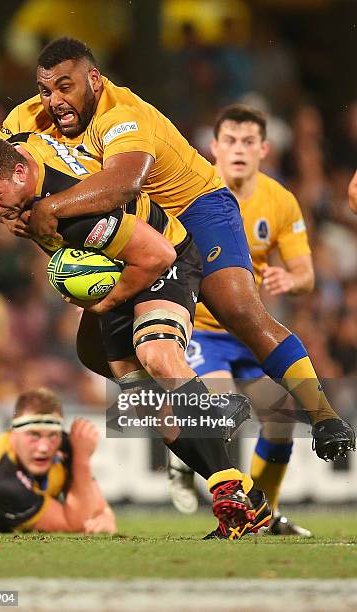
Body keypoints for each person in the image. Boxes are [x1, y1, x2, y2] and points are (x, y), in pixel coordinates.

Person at [0, 37, 354, 461]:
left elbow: (122, 182)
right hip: (138, 226)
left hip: (196, 207)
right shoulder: (25, 118)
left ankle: (324, 415)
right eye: (45, 90)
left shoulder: (123, 114)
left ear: (94, 79)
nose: (54, 101)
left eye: (65, 87)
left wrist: (47, 209)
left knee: (236, 307)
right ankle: (204, 430)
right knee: (93, 349)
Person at [0, 133, 264, 541]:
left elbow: (157, 256)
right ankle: (248, 499)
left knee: (155, 353)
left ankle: (217, 436)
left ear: (19, 171)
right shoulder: (15, 151)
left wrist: (104, 303)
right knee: (146, 403)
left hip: (160, 258)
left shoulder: (72, 212)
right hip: (114, 263)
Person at [169, 105, 314, 536]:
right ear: (213, 147)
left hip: (248, 334)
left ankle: (264, 514)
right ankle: (187, 456)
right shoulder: (184, 191)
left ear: (264, 149)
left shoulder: (280, 201)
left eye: (248, 142)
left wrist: (292, 278)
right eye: (229, 141)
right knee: (220, 409)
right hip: (200, 329)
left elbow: (307, 275)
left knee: (281, 418)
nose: (238, 150)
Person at [0, 387, 116, 534]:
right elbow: (75, 525)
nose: (44, 447)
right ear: (13, 434)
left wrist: (106, 516)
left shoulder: (61, 444)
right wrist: (82, 460)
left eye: (52, 435)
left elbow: (98, 508)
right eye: (33, 435)